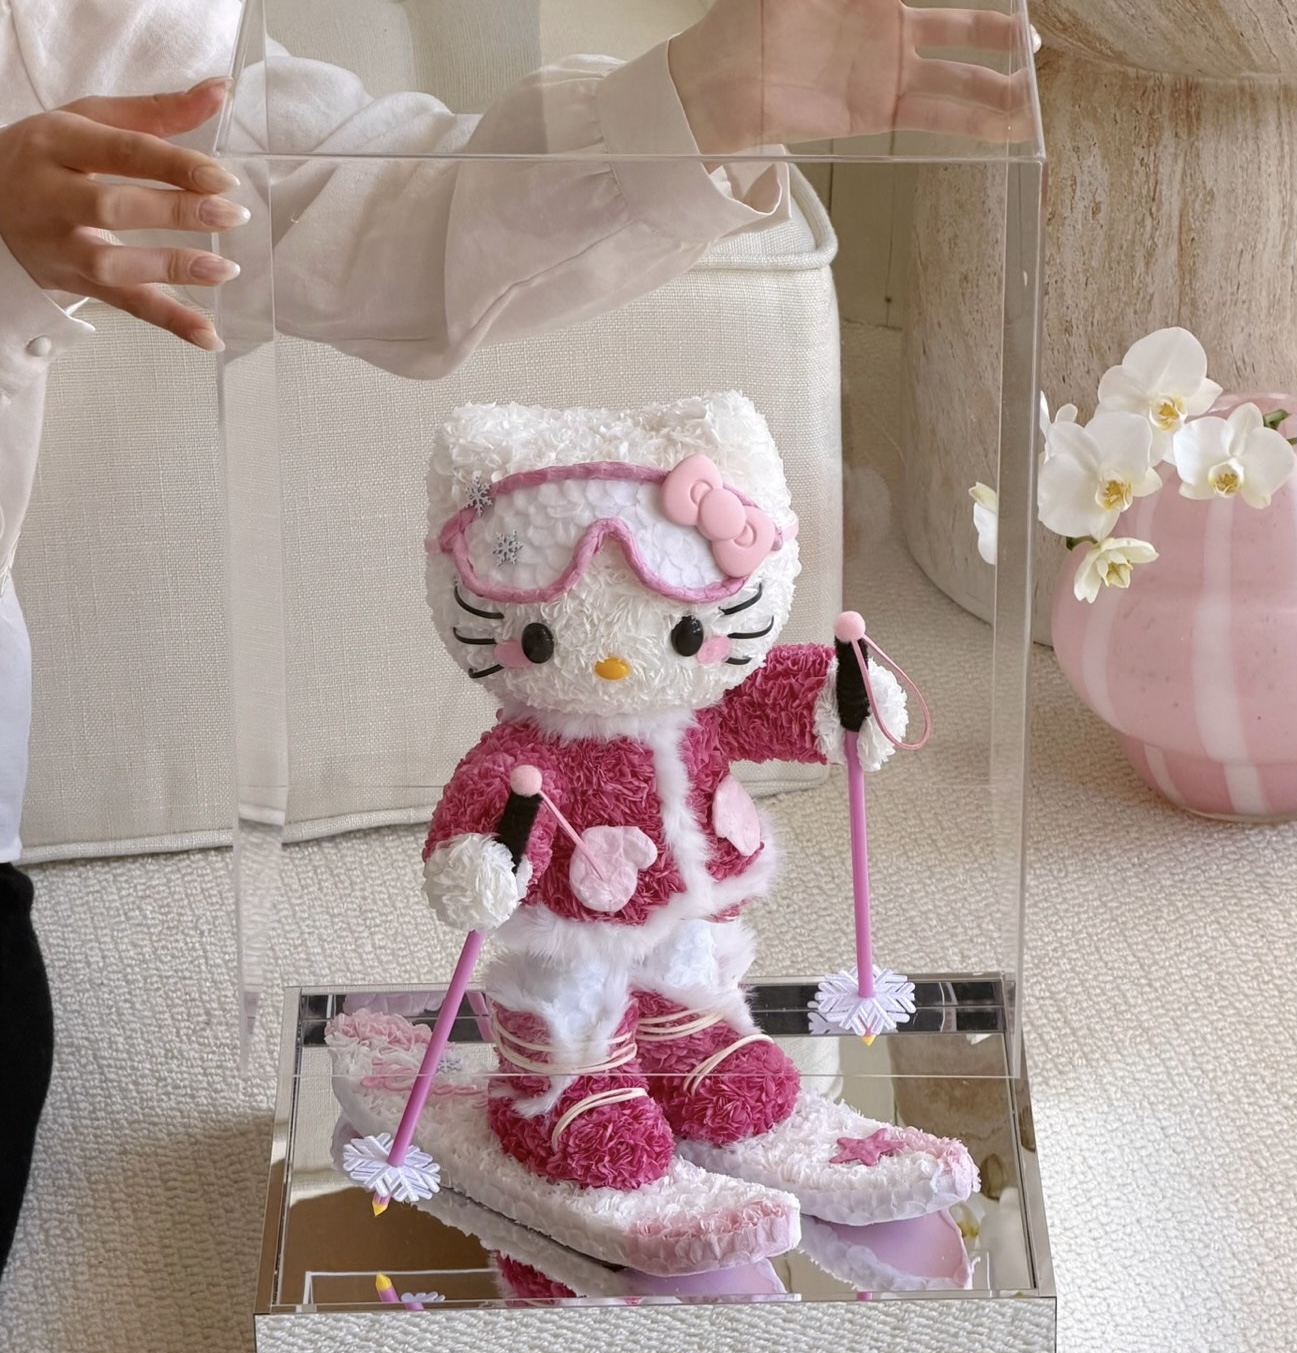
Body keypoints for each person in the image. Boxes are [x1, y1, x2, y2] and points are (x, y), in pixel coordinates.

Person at [0, 0, 1030, 1275]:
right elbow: (487, 823)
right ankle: (561, 1089)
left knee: (692, 986)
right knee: (563, 998)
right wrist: (483, 862)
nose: (618, 657)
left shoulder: (77, 30)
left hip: (683, 938)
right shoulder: (529, 755)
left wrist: (692, 103)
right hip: (563, 956)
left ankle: (693, 1054)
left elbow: (345, 202)